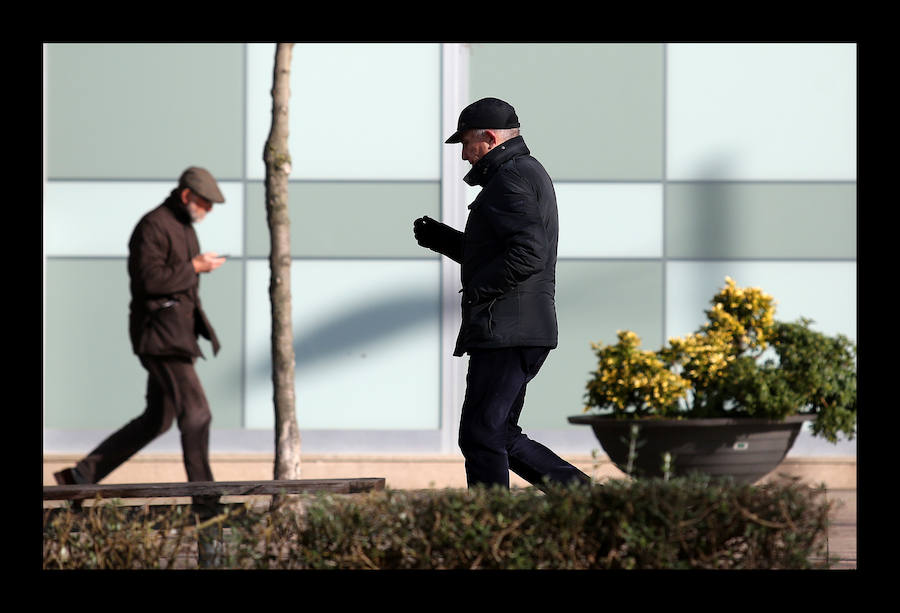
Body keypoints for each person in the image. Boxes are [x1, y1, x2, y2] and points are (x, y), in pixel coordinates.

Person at [414, 97, 590, 490]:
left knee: (481, 434)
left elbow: (529, 252)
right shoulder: (519, 175)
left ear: (489, 139)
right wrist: (444, 240)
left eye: (465, 143)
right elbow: (504, 253)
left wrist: (479, 290)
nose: (463, 155)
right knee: (499, 435)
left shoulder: (512, 178)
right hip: (515, 329)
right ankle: (588, 499)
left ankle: (490, 527)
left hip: (508, 332)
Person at [54, 166, 227, 512]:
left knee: (156, 420)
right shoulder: (153, 225)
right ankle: (205, 501)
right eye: (206, 203)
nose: (208, 211)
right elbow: (148, 281)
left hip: (178, 337)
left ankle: (80, 477)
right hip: (161, 339)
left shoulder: (183, 228)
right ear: (186, 196)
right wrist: (193, 267)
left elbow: (180, 282)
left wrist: (195, 271)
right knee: (197, 414)